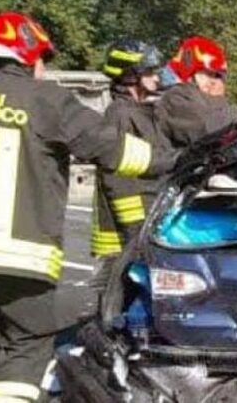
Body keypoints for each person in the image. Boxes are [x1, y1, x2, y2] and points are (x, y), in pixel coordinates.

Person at [0, 12, 174, 403]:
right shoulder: (45, 99)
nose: (44, 68)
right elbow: (112, 149)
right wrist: (177, 161)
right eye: (43, 59)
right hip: (23, 255)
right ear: (28, 56)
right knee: (26, 348)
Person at [89, 39, 171, 288]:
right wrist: (135, 228)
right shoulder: (120, 114)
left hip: (144, 222)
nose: (156, 79)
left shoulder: (140, 112)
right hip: (123, 236)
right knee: (119, 299)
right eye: (149, 72)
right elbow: (116, 176)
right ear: (130, 76)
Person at [155, 35, 237, 148]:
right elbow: (207, 127)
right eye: (208, 74)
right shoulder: (175, 98)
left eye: (218, 76)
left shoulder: (205, 101)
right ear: (189, 73)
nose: (214, 82)